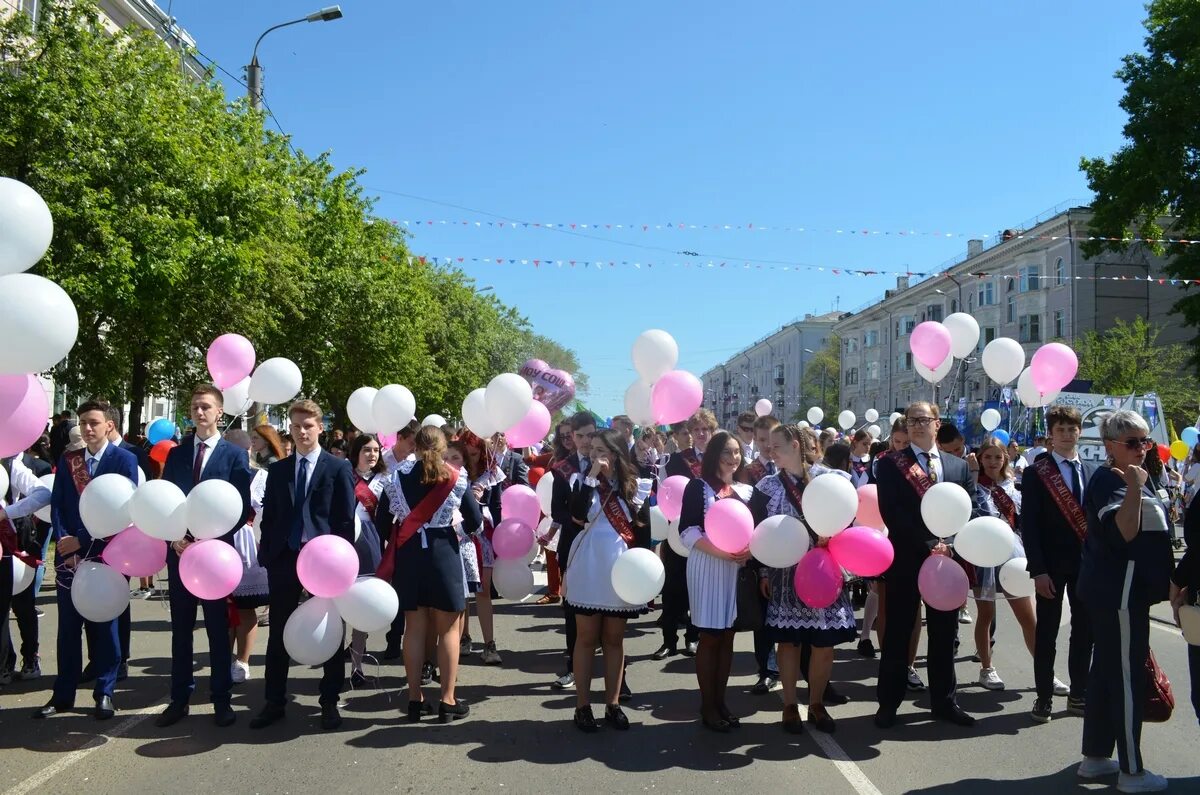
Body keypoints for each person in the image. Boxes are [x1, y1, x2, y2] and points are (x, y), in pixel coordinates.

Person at [1075, 410, 1174, 792]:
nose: (1141, 448)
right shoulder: (1109, 480)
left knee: (1105, 674)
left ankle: (1096, 757)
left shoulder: (1137, 478)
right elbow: (1124, 534)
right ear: (1110, 446)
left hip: (1126, 594)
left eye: (1145, 441)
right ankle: (1132, 770)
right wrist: (1134, 487)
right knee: (1128, 678)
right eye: (1132, 442)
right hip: (1119, 594)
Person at [251, 399, 356, 731]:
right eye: (296, 427)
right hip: (285, 558)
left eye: (308, 426)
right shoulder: (279, 469)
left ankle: (328, 701)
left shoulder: (337, 468)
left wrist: (339, 563)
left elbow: (344, 519)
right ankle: (274, 700)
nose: (302, 432)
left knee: (329, 631)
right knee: (279, 630)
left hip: (323, 562)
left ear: (320, 428)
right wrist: (268, 553)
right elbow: (271, 516)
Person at [874, 401, 979, 729]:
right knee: (898, 634)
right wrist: (931, 544)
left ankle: (944, 703)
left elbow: (970, 509)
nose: (918, 425)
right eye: (912, 420)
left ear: (937, 423)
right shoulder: (892, 464)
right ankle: (888, 704)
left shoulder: (957, 466)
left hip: (947, 564)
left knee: (945, 635)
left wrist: (952, 546)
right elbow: (892, 512)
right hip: (907, 559)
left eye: (924, 419)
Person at [34, 400, 139, 721]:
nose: (87, 428)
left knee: (105, 625)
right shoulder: (69, 461)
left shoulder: (125, 460)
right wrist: (67, 542)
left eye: (94, 422)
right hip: (70, 558)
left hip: (106, 555)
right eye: (83, 422)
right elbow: (60, 505)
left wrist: (83, 540)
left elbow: (123, 511)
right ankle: (63, 694)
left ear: (109, 425)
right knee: (68, 628)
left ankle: (105, 691)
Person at [157, 385, 253, 728]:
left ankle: (221, 700)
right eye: (195, 406)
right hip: (181, 555)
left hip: (214, 559)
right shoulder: (177, 455)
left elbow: (241, 510)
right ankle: (179, 699)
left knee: (216, 630)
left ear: (220, 413)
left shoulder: (234, 456)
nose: (200, 412)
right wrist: (175, 538)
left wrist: (210, 536)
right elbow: (165, 503)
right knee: (181, 631)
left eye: (206, 407)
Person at [750, 423, 856, 734]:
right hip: (786, 574)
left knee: (824, 643)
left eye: (777, 445)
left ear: (796, 444)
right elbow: (758, 533)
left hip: (825, 570)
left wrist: (833, 536)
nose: (771, 451)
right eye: (768, 446)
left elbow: (849, 517)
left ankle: (817, 704)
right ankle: (789, 705)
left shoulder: (831, 479)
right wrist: (764, 571)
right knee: (789, 640)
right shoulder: (767, 487)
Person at [375, 426, 482, 724]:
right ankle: (448, 700)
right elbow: (473, 519)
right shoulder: (455, 476)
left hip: (410, 557)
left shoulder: (396, 477)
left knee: (414, 628)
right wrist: (453, 532)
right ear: (443, 445)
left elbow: (382, 520)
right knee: (448, 630)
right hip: (443, 553)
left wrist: (400, 537)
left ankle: (414, 700)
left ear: (415, 446)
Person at [560, 429, 652, 732]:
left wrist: (644, 578)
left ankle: (613, 704)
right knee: (586, 639)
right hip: (589, 566)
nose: (594, 454)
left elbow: (642, 532)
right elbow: (575, 515)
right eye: (592, 449)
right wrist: (591, 475)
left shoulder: (633, 485)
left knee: (614, 639)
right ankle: (582, 706)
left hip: (620, 570)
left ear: (614, 453)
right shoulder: (582, 482)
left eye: (601, 449)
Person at [1021, 404, 1098, 723]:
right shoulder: (1037, 473)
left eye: (1072, 429)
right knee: (1047, 634)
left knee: (1084, 633)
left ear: (1079, 432)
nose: (1067, 435)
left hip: (1086, 565)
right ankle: (1044, 696)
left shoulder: (1094, 471)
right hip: (1050, 567)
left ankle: (1079, 693)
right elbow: (1031, 524)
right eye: (1061, 430)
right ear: (1050, 436)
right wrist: (1037, 570)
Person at [679, 430, 751, 732]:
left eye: (736, 452)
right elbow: (687, 531)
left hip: (735, 568)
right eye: (726, 452)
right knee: (710, 637)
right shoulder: (698, 487)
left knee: (728, 637)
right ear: (714, 456)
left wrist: (747, 553)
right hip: (708, 565)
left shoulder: (746, 491)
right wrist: (722, 552)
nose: (732, 458)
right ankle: (707, 706)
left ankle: (721, 701)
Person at [972, 436, 1038, 691]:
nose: (992, 462)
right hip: (983, 553)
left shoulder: (1013, 485)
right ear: (980, 458)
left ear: (1005, 459)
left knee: (1028, 616)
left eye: (997, 457)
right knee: (986, 614)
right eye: (987, 457)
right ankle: (986, 668)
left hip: (1012, 552)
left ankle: (1044, 670)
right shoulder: (974, 484)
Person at [654, 410, 717, 660]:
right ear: (690, 433)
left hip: (709, 535)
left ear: (712, 432)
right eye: (696, 430)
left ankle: (693, 637)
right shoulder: (673, 461)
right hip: (677, 532)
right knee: (673, 590)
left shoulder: (719, 460)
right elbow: (663, 495)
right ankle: (668, 640)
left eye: (705, 429)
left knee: (698, 590)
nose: (701, 434)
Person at [548, 412, 598, 689]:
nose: (585, 441)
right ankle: (572, 667)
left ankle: (618, 676)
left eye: (590, 435)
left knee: (609, 609)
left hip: (603, 545)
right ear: (571, 438)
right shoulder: (562, 468)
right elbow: (557, 509)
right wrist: (574, 519)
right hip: (574, 544)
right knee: (572, 608)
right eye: (579, 436)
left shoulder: (608, 462)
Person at [229, 429, 278, 684]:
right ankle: (224, 658)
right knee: (223, 609)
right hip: (217, 545)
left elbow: (267, 514)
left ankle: (243, 660)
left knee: (246, 607)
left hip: (245, 543)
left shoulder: (260, 477)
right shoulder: (219, 475)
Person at [0, 453, 52, 683]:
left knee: (22, 604)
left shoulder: (13, 466)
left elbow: (43, 494)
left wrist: (8, 512)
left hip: (14, 541)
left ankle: (30, 657)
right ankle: (4, 664)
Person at [348, 433, 386, 687]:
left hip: (372, 542)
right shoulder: (344, 476)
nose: (372, 454)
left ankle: (356, 665)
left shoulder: (385, 480)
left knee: (362, 603)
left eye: (376, 450)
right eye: (366, 450)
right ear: (356, 452)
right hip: (345, 542)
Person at [535, 421, 575, 606]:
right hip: (568, 529)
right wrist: (550, 534)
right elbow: (559, 507)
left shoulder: (594, 459)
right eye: (563, 436)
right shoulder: (559, 465)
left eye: (570, 435)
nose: (567, 439)